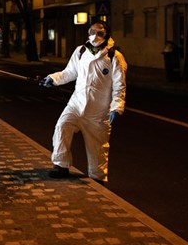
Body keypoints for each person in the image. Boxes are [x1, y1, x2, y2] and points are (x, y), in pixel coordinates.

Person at [39, 20, 127, 184]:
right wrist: (53, 78)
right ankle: (61, 165)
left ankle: (97, 176)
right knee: (62, 127)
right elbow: (69, 72)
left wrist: (117, 107)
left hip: (98, 111)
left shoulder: (114, 56)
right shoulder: (80, 51)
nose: (95, 35)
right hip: (76, 104)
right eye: (92, 31)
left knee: (98, 146)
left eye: (100, 32)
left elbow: (119, 85)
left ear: (107, 35)